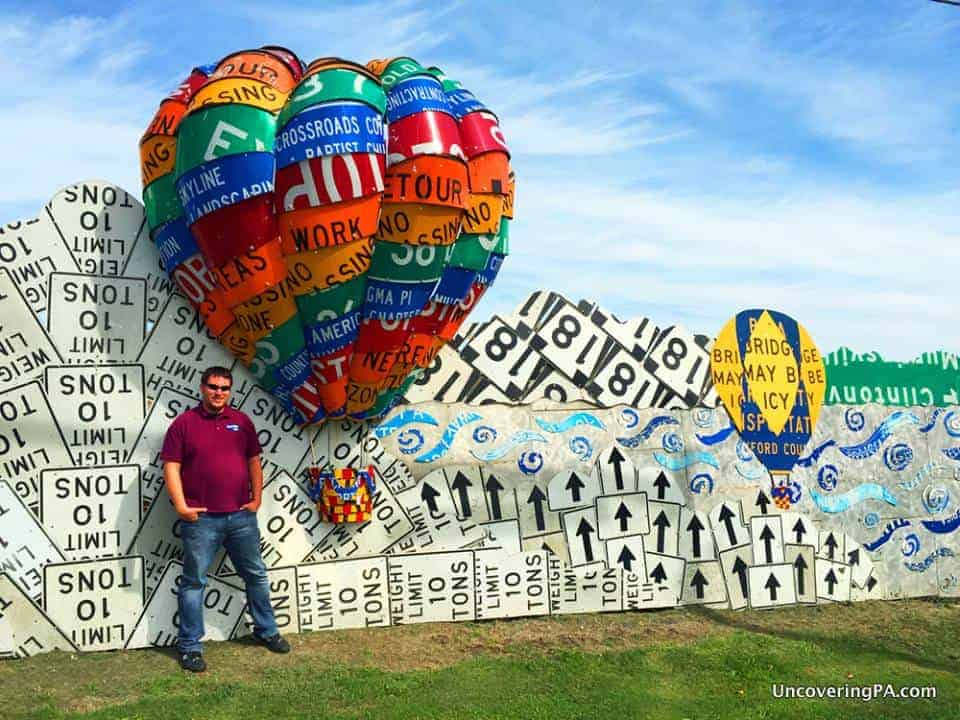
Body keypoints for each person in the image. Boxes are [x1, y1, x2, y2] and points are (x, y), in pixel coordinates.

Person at [161, 366, 290, 672]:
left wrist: (257, 499)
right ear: (202, 387)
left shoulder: (242, 422)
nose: (219, 392)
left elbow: (254, 462)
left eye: (224, 388)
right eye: (214, 386)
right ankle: (190, 646)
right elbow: (171, 466)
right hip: (201, 520)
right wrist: (181, 505)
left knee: (256, 575)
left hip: (240, 518)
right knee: (194, 583)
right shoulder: (184, 424)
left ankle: (266, 631)